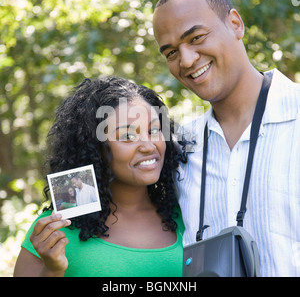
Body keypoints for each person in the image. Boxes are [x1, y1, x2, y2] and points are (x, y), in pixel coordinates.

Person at [153, 0, 300, 276]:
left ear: (235, 24)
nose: (187, 60)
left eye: (195, 38)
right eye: (171, 52)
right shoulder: (179, 148)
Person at [14, 76, 185, 277]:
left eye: (154, 131)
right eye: (127, 136)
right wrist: (52, 270)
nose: (149, 146)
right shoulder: (54, 231)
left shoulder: (185, 214)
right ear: (97, 150)